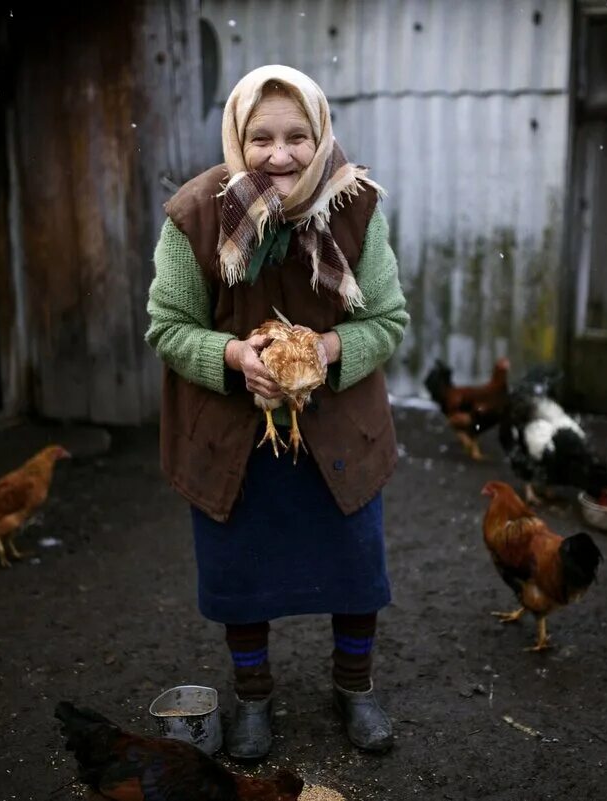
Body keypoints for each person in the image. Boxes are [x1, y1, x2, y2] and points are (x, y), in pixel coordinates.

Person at [145, 64, 409, 759]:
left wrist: (326, 346)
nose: (280, 154)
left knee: (355, 568)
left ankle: (354, 687)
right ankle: (253, 698)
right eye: (260, 137)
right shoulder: (195, 216)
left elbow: (389, 319)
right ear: (236, 136)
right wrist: (236, 359)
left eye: (298, 135)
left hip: (338, 431)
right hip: (236, 434)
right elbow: (167, 327)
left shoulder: (355, 207)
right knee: (243, 575)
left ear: (321, 135)